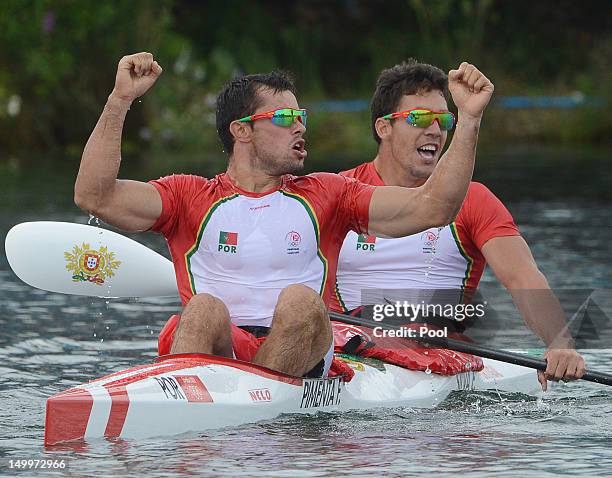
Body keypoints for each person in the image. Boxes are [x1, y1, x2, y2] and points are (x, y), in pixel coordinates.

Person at [75, 52, 493, 378]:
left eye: (301, 117)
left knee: (300, 302)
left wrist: (469, 119)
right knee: (203, 309)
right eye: (285, 118)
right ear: (242, 131)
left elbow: (434, 207)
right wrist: (120, 100)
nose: (300, 128)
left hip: (306, 353)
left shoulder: (328, 194)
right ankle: (195, 413)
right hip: (219, 347)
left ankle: (251, 408)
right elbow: (95, 196)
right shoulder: (187, 196)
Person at [332, 59, 585, 390]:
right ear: (383, 128)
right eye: (421, 118)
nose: (436, 131)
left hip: (437, 348)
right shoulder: (336, 191)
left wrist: (559, 342)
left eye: (444, 120)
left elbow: (523, 277)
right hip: (346, 345)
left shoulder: (474, 200)